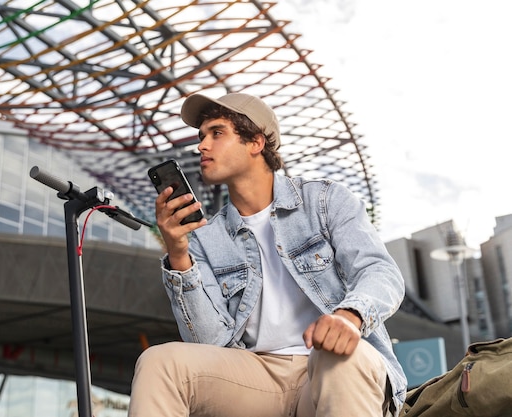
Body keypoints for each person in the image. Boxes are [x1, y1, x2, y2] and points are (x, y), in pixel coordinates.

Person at [128, 92, 407, 417]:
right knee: (159, 362)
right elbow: (209, 342)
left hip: (329, 370)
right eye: (201, 137)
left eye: (217, 133)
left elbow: (380, 272)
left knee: (338, 353)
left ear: (256, 142)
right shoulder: (206, 237)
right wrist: (178, 254)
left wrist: (350, 316)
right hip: (255, 379)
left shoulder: (324, 201)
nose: (202, 146)